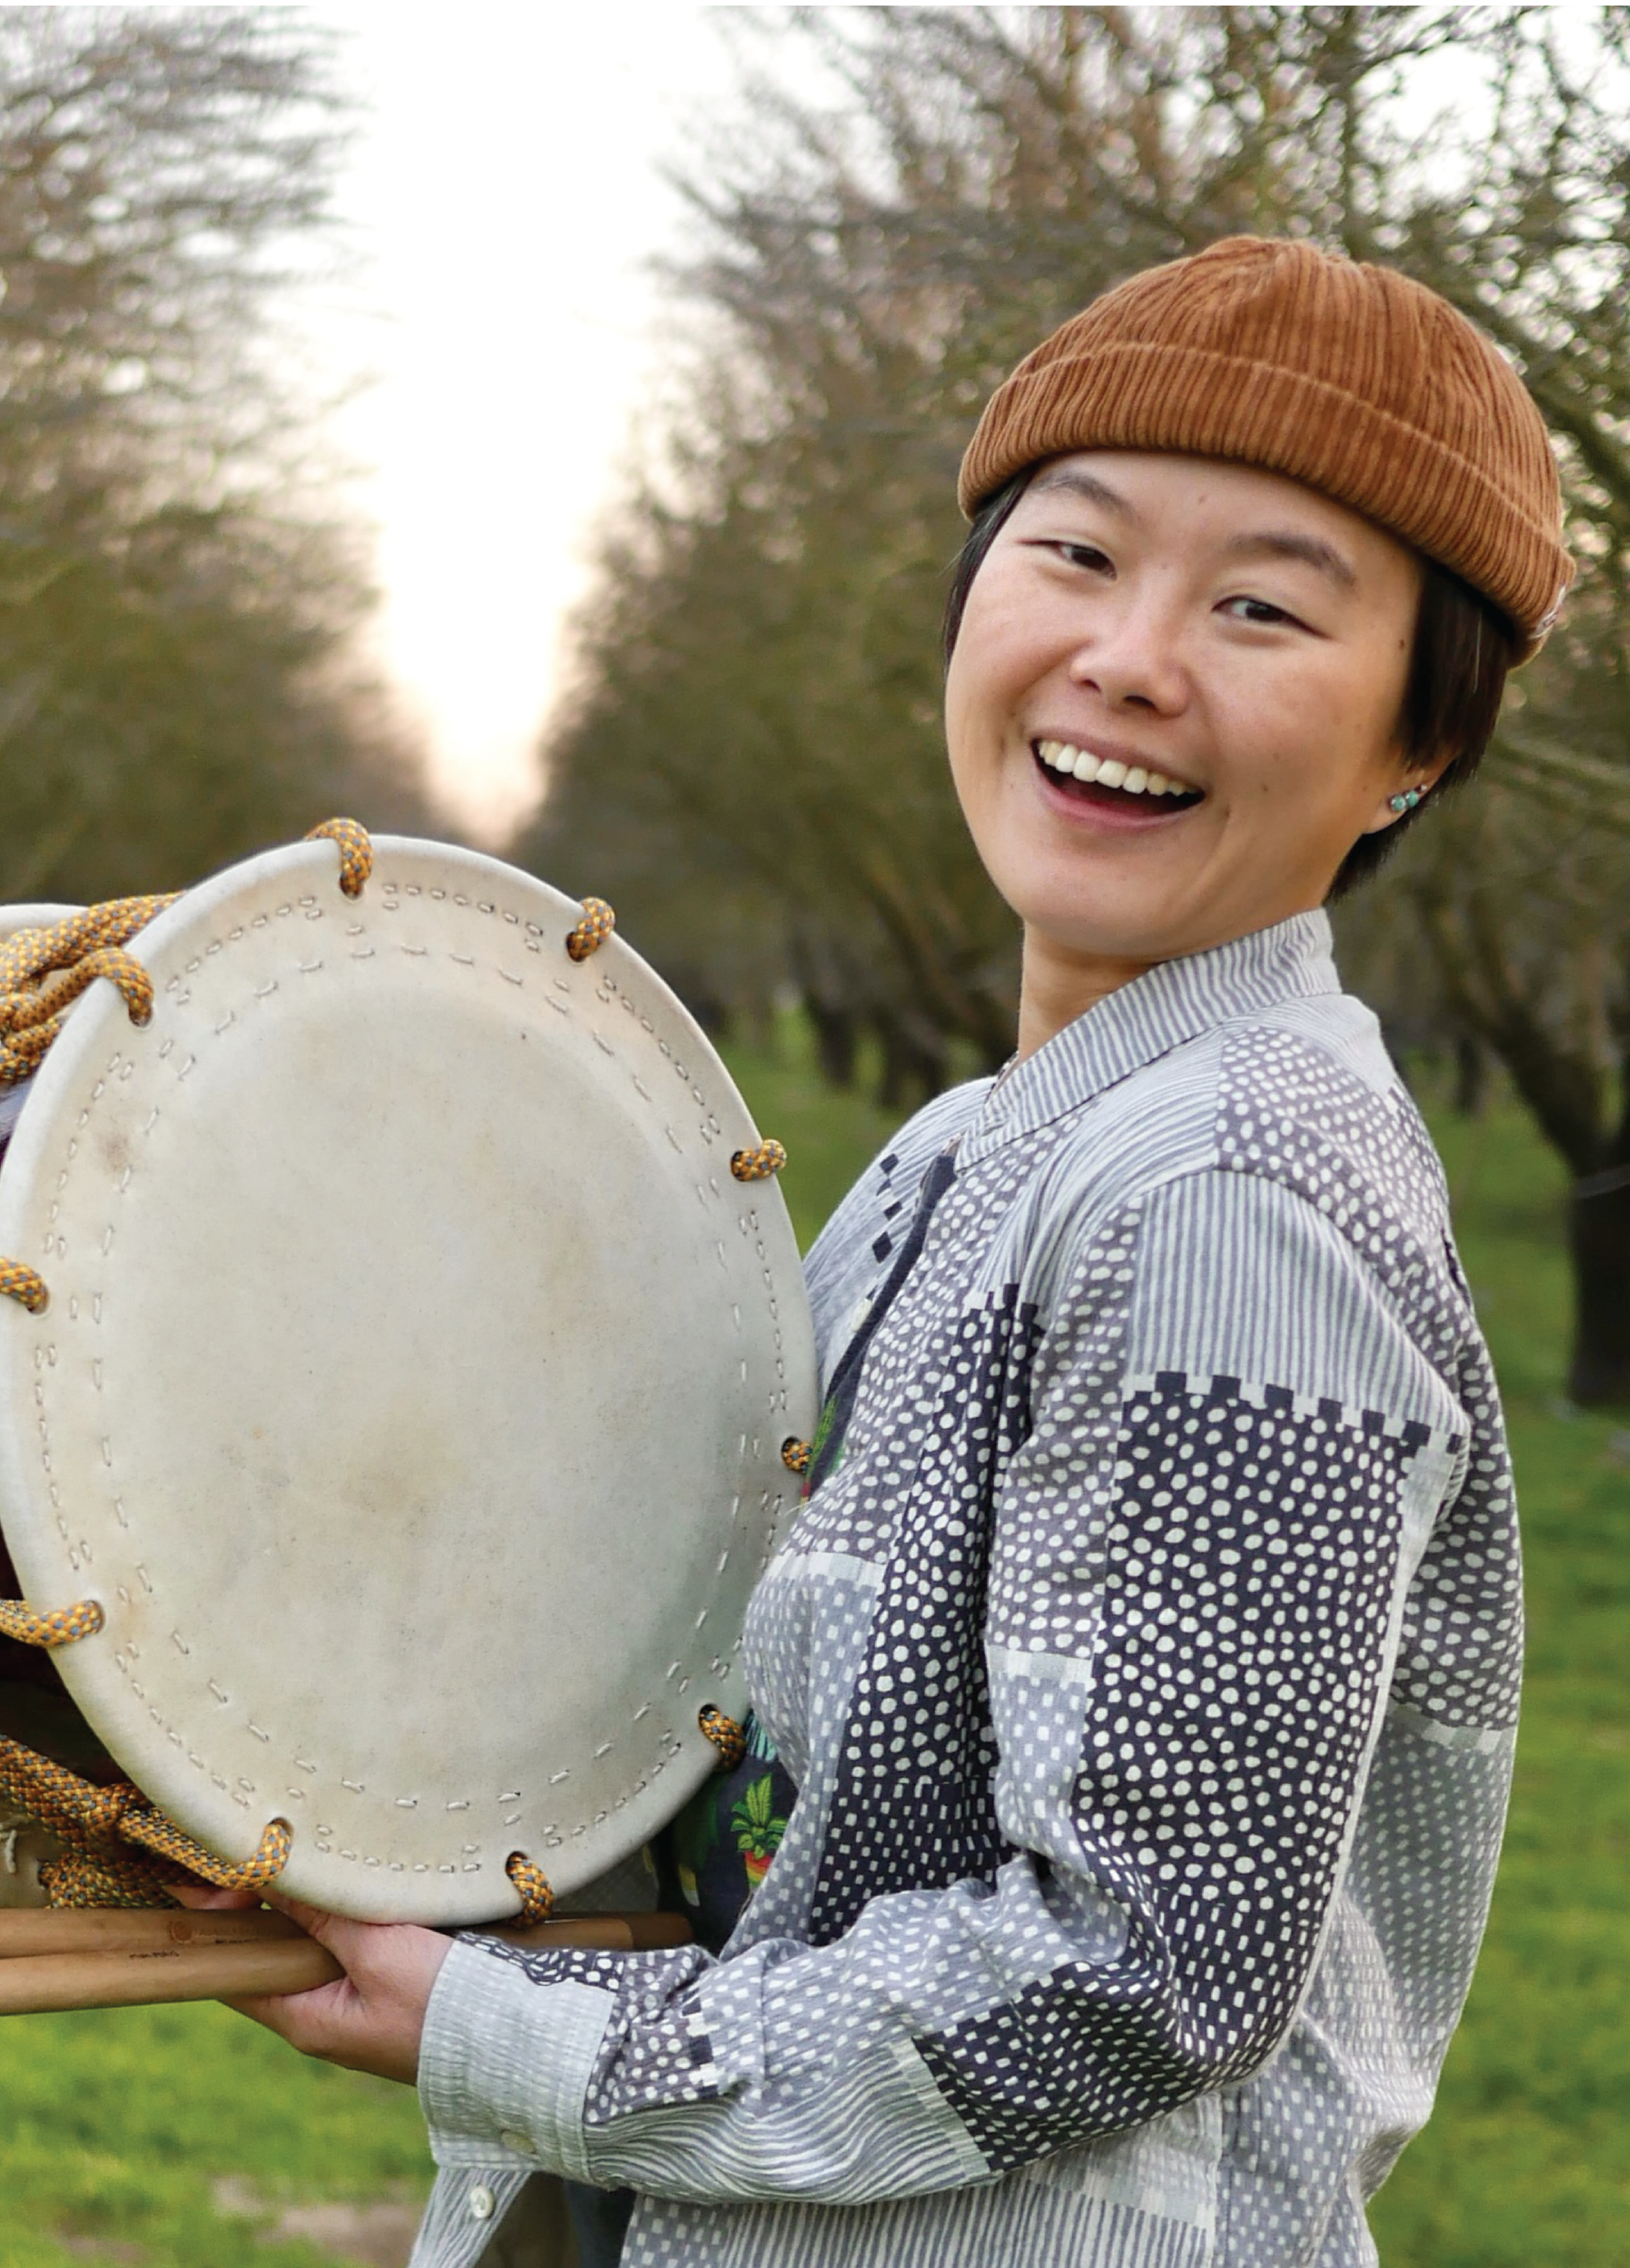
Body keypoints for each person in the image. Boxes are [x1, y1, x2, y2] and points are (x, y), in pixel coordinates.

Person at [179, 238, 1567, 2267]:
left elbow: (1143, 1959)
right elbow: (784, 1778)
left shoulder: (1230, 1193)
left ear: (1416, 748)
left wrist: (534, 2047)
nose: (1131, 657)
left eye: (1263, 607)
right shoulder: (972, 1147)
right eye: (1077, 556)